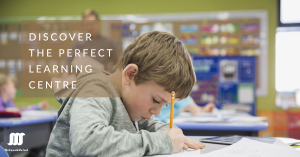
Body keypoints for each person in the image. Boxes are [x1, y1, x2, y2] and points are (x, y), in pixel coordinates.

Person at [46, 31, 206, 157]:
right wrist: (163, 141)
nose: (157, 112)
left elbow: (148, 124)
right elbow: (87, 141)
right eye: (156, 100)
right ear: (130, 74)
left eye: (165, 105)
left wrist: (172, 134)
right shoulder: (95, 89)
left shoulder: (128, 103)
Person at [61, 9, 118, 79]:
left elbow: (117, 64)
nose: (89, 27)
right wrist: (66, 73)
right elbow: (69, 61)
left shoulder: (108, 42)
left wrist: (110, 71)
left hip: (102, 81)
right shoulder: (78, 42)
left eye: (92, 24)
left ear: (98, 22)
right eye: (86, 24)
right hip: (82, 82)